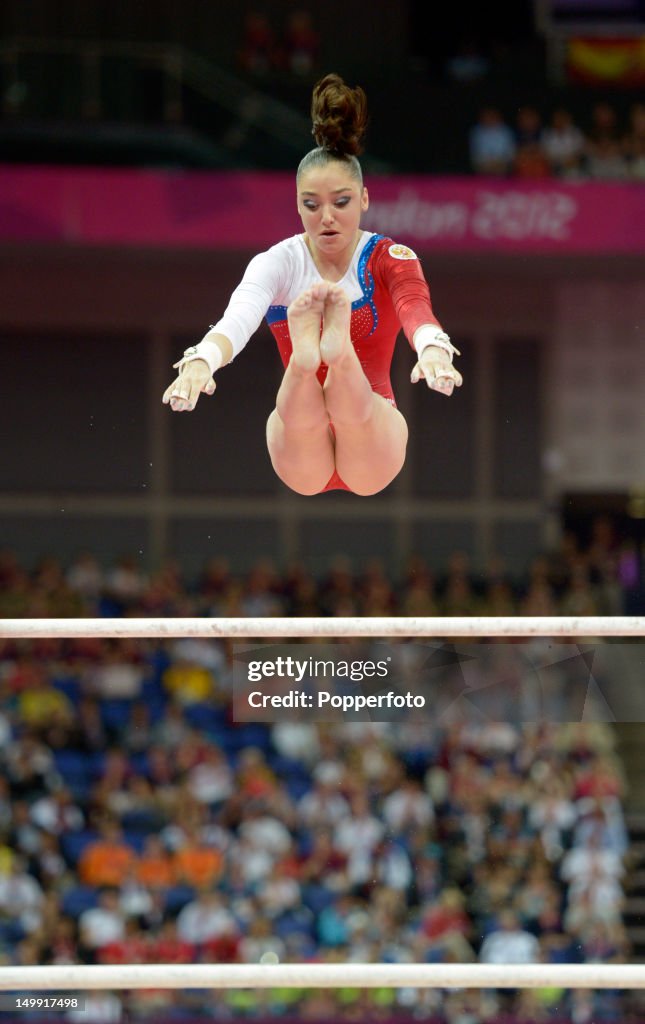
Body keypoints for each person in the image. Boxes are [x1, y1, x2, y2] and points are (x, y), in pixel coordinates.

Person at [163, 74, 462, 496]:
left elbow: (415, 306)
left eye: (341, 202)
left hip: (370, 431)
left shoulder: (389, 258)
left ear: (364, 199)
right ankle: (310, 363)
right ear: (296, 204)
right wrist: (201, 361)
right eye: (311, 204)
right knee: (304, 415)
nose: (326, 217)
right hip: (311, 445)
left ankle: (333, 358)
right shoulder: (277, 263)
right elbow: (238, 319)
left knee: (348, 410)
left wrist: (433, 349)